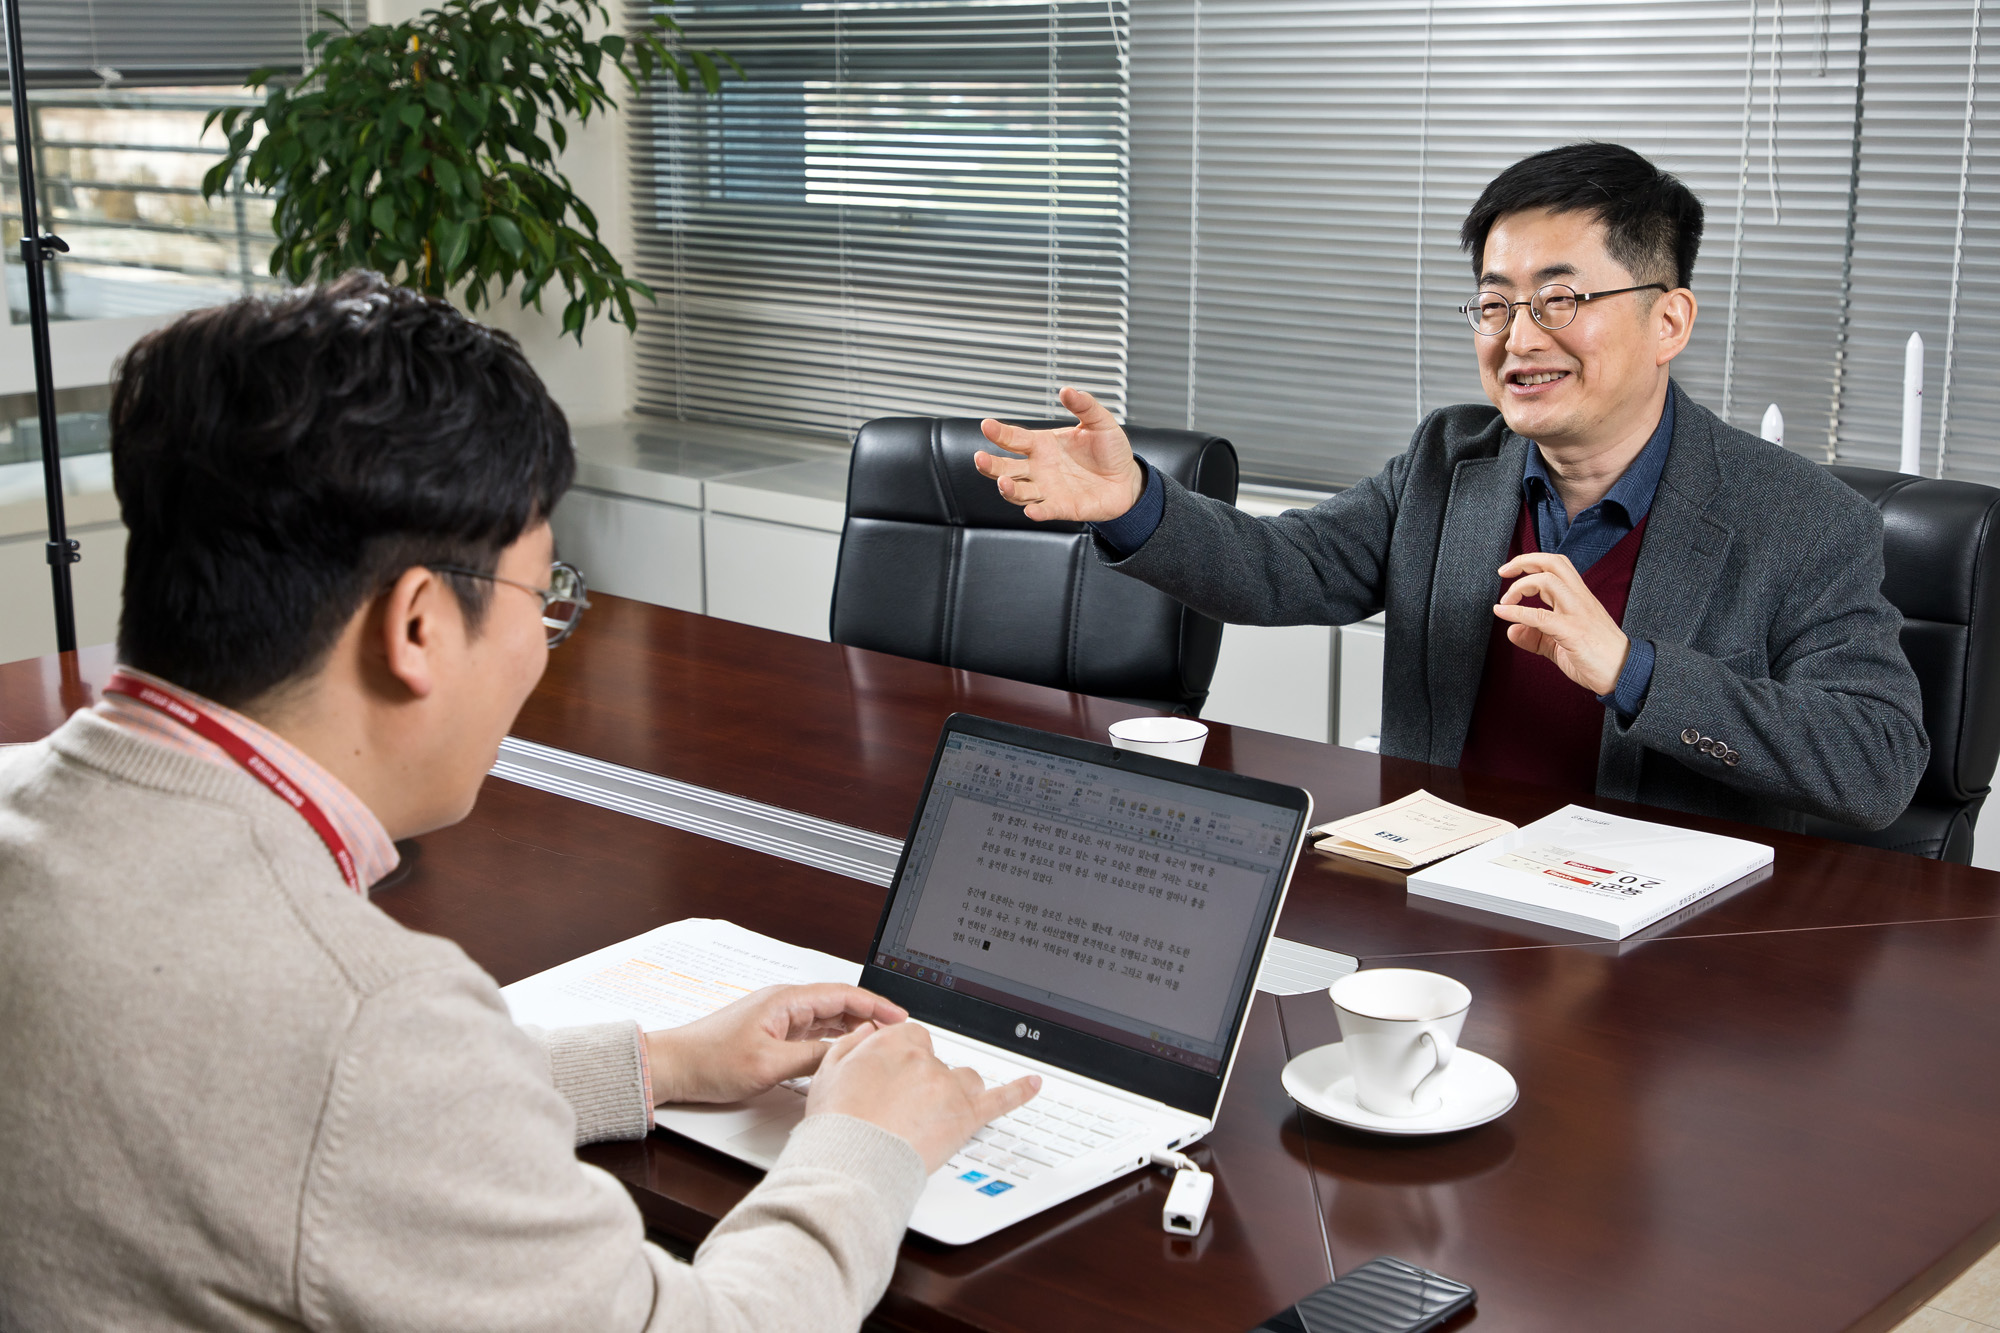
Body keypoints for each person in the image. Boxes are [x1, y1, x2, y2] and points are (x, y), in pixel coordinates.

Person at [0, 272, 1037, 1331]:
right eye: (542, 597)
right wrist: (866, 1143)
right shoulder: (366, 1021)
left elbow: (256, 1082)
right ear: (417, 626)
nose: (542, 645)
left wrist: (660, 1062)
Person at [973, 143, 1927, 835]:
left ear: (1669, 320)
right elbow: (1282, 567)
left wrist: (1631, 669)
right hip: (1437, 892)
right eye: (1496, 302)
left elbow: (1878, 763)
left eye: (1562, 299)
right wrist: (1134, 501)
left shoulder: (1802, 520)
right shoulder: (1451, 458)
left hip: (1658, 946)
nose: (1519, 338)